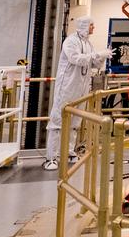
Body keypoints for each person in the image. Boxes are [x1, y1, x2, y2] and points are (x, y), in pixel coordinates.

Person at [43, 17, 110, 171]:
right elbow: (75, 59)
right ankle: (51, 157)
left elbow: (92, 63)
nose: (94, 28)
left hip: (82, 87)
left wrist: (102, 57)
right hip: (67, 87)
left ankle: (68, 152)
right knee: (57, 122)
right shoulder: (70, 41)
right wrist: (96, 55)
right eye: (92, 25)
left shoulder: (87, 43)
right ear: (85, 26)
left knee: (74, 123)